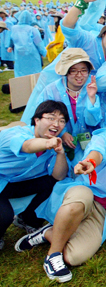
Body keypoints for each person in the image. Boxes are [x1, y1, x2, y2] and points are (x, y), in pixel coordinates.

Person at [18, 104, 106, 283]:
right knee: (81, 199)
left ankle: (48, 233)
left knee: (75, 257)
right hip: (83, 192)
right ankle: (52, 255)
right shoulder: (103, 138)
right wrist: (90, 163)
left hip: (104, 210)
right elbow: (96, 153)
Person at [0, 101, 69, 250]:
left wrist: (60, 153)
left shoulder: (53, 146)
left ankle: (27, 220)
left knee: (52, 183)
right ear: (37, 120)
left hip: (14, 183)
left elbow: (59, 176)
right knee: (4, 215)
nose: (56, 124)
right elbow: (27, 146)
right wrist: (47, 144)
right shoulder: (16, 134)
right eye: (51, 118)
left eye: (62, 121)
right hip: (2, 180)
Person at [33, 49, 102, 167]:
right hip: (56, 142)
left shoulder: (92, 88)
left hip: (86, 142)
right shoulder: (51, 91)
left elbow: (93, 121)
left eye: (84, 70)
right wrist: (62, 133)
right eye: (73, 71)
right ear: (65, 72)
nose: (79, 75)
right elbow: (41, 119)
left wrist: (91, 98)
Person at [7, 10, 47, 77]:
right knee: (34, 74)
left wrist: (10, 46)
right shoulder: (33, 30)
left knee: (20, 73)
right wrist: (43, 53)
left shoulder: (14, 28)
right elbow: (39, 43)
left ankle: (21, 86)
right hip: (32, 55)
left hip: (19, 55)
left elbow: (12, 39)